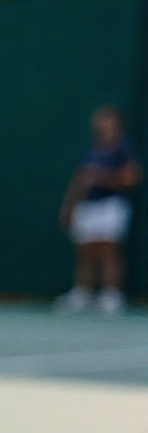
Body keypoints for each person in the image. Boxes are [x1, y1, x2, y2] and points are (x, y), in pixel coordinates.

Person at [56, 105, 142, 315]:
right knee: (85, 252)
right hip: (87, 206)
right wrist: (69, 206)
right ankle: (82, 293)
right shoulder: (91, 149)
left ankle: (111, 295)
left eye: (106, 119)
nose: (101, 123)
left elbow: (132, 177)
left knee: (108, 250)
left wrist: (103, 177)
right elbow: (79, 179)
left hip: (111, 205)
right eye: (99, 119)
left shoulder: (124, 148)